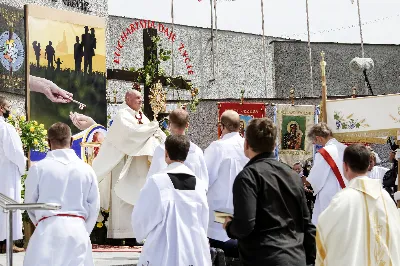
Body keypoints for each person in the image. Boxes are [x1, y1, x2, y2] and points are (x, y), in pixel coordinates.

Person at [223, 118, 316, 266]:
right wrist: (310, 260)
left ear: (246, 144)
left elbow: (245, 225)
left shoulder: (248, 177)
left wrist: (229, 225)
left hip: (264, 257)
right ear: (274, 145)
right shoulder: (292, 175)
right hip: (295, 257)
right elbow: (307, 224)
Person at [92, 90, 165, 243]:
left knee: (136, 198)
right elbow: (131, 135)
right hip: (123, 163)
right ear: (127, 98)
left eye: (140, 98)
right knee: (122, 199)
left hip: (138, 167)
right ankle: (119, 235)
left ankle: (135, 234)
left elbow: (153, 132)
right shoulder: (122, 115)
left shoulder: (141, 116)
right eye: (137, 97)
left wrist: (156, 132)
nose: (140, 100)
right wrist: (152, 128)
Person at [23, 122, 100, 266]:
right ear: (71, 141)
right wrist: (82, 229)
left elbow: (30, 204)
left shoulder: (39, 169)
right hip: (78, 231)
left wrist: (44, 222)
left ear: (48, 142)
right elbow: (94, 206)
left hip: (46, 231)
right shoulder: (87, 170)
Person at [132, 135, 211, 266]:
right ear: (186, 155)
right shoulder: (199, 184)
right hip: (193, 250)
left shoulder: (157, 182)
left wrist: (140, 235)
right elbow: (203, 220)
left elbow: (141, 217)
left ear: (166, 153)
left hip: (163, 250)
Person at [316, 144, 400, 266]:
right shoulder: (386, 198)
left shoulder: (341, 200)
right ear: (369, 165)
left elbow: (324, 235)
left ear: (345, 166)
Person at [204, 110, 249, 258]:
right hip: (244, 214)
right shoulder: (248, 147)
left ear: (221, 126)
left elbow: (204, 179)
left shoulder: (217, 147)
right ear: (239, 126)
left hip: (220, 215)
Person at [147, 108, 209, 187]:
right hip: (190, 197)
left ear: (169, 124)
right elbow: (203, 183)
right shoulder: (197, 151)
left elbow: (151, 181)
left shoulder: (161, 150)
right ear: (187, 125)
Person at [306, 122, 347, 225]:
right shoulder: (345, 148)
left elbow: (315, 179)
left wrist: (304, 182)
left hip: (330, 193)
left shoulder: (324, 153)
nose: (316, 144)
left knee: (326, 225)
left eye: (315, 141)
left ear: (319, 138)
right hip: (346, 191)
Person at [0, 96, 25, 253]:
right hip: (5, 174)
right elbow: (15, 153)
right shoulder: (6, 128)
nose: (10, 109)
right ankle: (6, 243)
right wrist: (24, 166)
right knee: (7, 206)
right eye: (8, 106)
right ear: (1, 108)